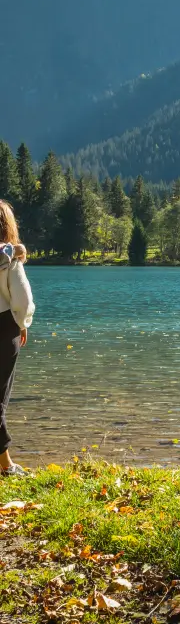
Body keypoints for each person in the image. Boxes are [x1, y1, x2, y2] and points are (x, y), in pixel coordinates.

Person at [0, 201, 35, 476]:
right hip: (3, 327)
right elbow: (22, 299)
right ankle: (6, 466)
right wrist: (23, 324)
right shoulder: (10, 258)